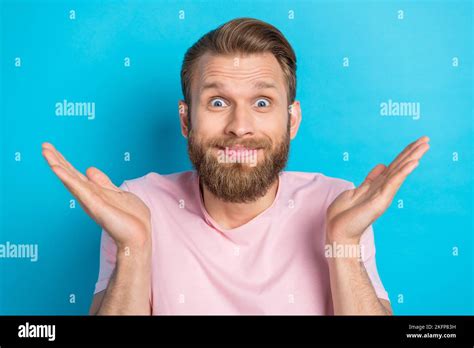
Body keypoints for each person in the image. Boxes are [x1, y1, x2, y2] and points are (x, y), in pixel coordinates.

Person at [41, 17, 430, 315]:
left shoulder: (339, 205)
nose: (240, 127)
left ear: (291, 121)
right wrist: (134, 247)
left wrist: (343, 243)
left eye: (262, 103)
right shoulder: (135, 206)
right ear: (185, 120)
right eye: (217, 102)